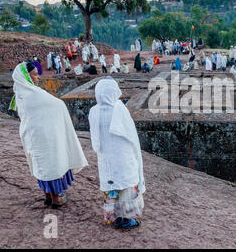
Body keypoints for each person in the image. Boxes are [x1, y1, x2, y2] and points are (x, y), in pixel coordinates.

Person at [9, 62, 88, 208]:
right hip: (45, 137)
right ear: (26, 77)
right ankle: (56, 199)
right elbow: (57, 105)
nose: (37, 77)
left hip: (31, 136)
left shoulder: (19, 92)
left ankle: (48, 196)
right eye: (34, 75)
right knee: (52, 164)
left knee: (41, 166)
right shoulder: (34, 94)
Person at [89, 77, 145, 229]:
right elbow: (132, 136)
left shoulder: (93, 111)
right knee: (126, 187)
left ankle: (112, 218)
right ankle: (126, 219)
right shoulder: (119, 109)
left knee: (111, 188)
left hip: (106, 159)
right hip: (123, 158)